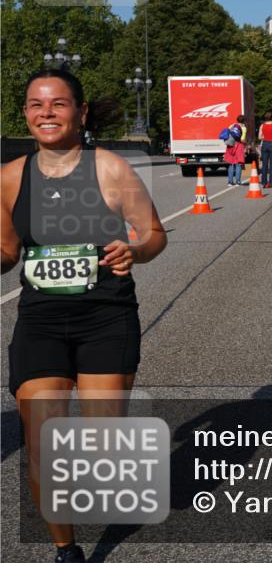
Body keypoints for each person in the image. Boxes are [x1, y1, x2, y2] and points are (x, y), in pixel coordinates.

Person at [0, 69, 167, 563]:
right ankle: (65, 550)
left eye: (57, 104)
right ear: (26, 113)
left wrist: (133, 252)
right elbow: (8, 254)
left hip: (106, 319)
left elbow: (154, 234)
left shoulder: (110, 168)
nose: (45, 114)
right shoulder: (9, 177)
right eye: (35, 105)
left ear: (81, 111)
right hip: (40, 322)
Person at [258, 112, 272, 188]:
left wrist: (265, 137)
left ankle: (264, 182)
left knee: (264, 164)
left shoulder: (262, 125)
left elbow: (259, 137)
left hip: (265, 144)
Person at [224, 114, 247, 185]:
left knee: (231, 164)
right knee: (238, 164)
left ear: (237, 120)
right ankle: (238, 181)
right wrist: (246, 143)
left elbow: (227, 133)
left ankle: (230, 182)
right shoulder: (244, 128)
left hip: (230, 145)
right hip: (239, 146)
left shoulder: (232, 126)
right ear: (244, 121)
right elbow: (242, 139)